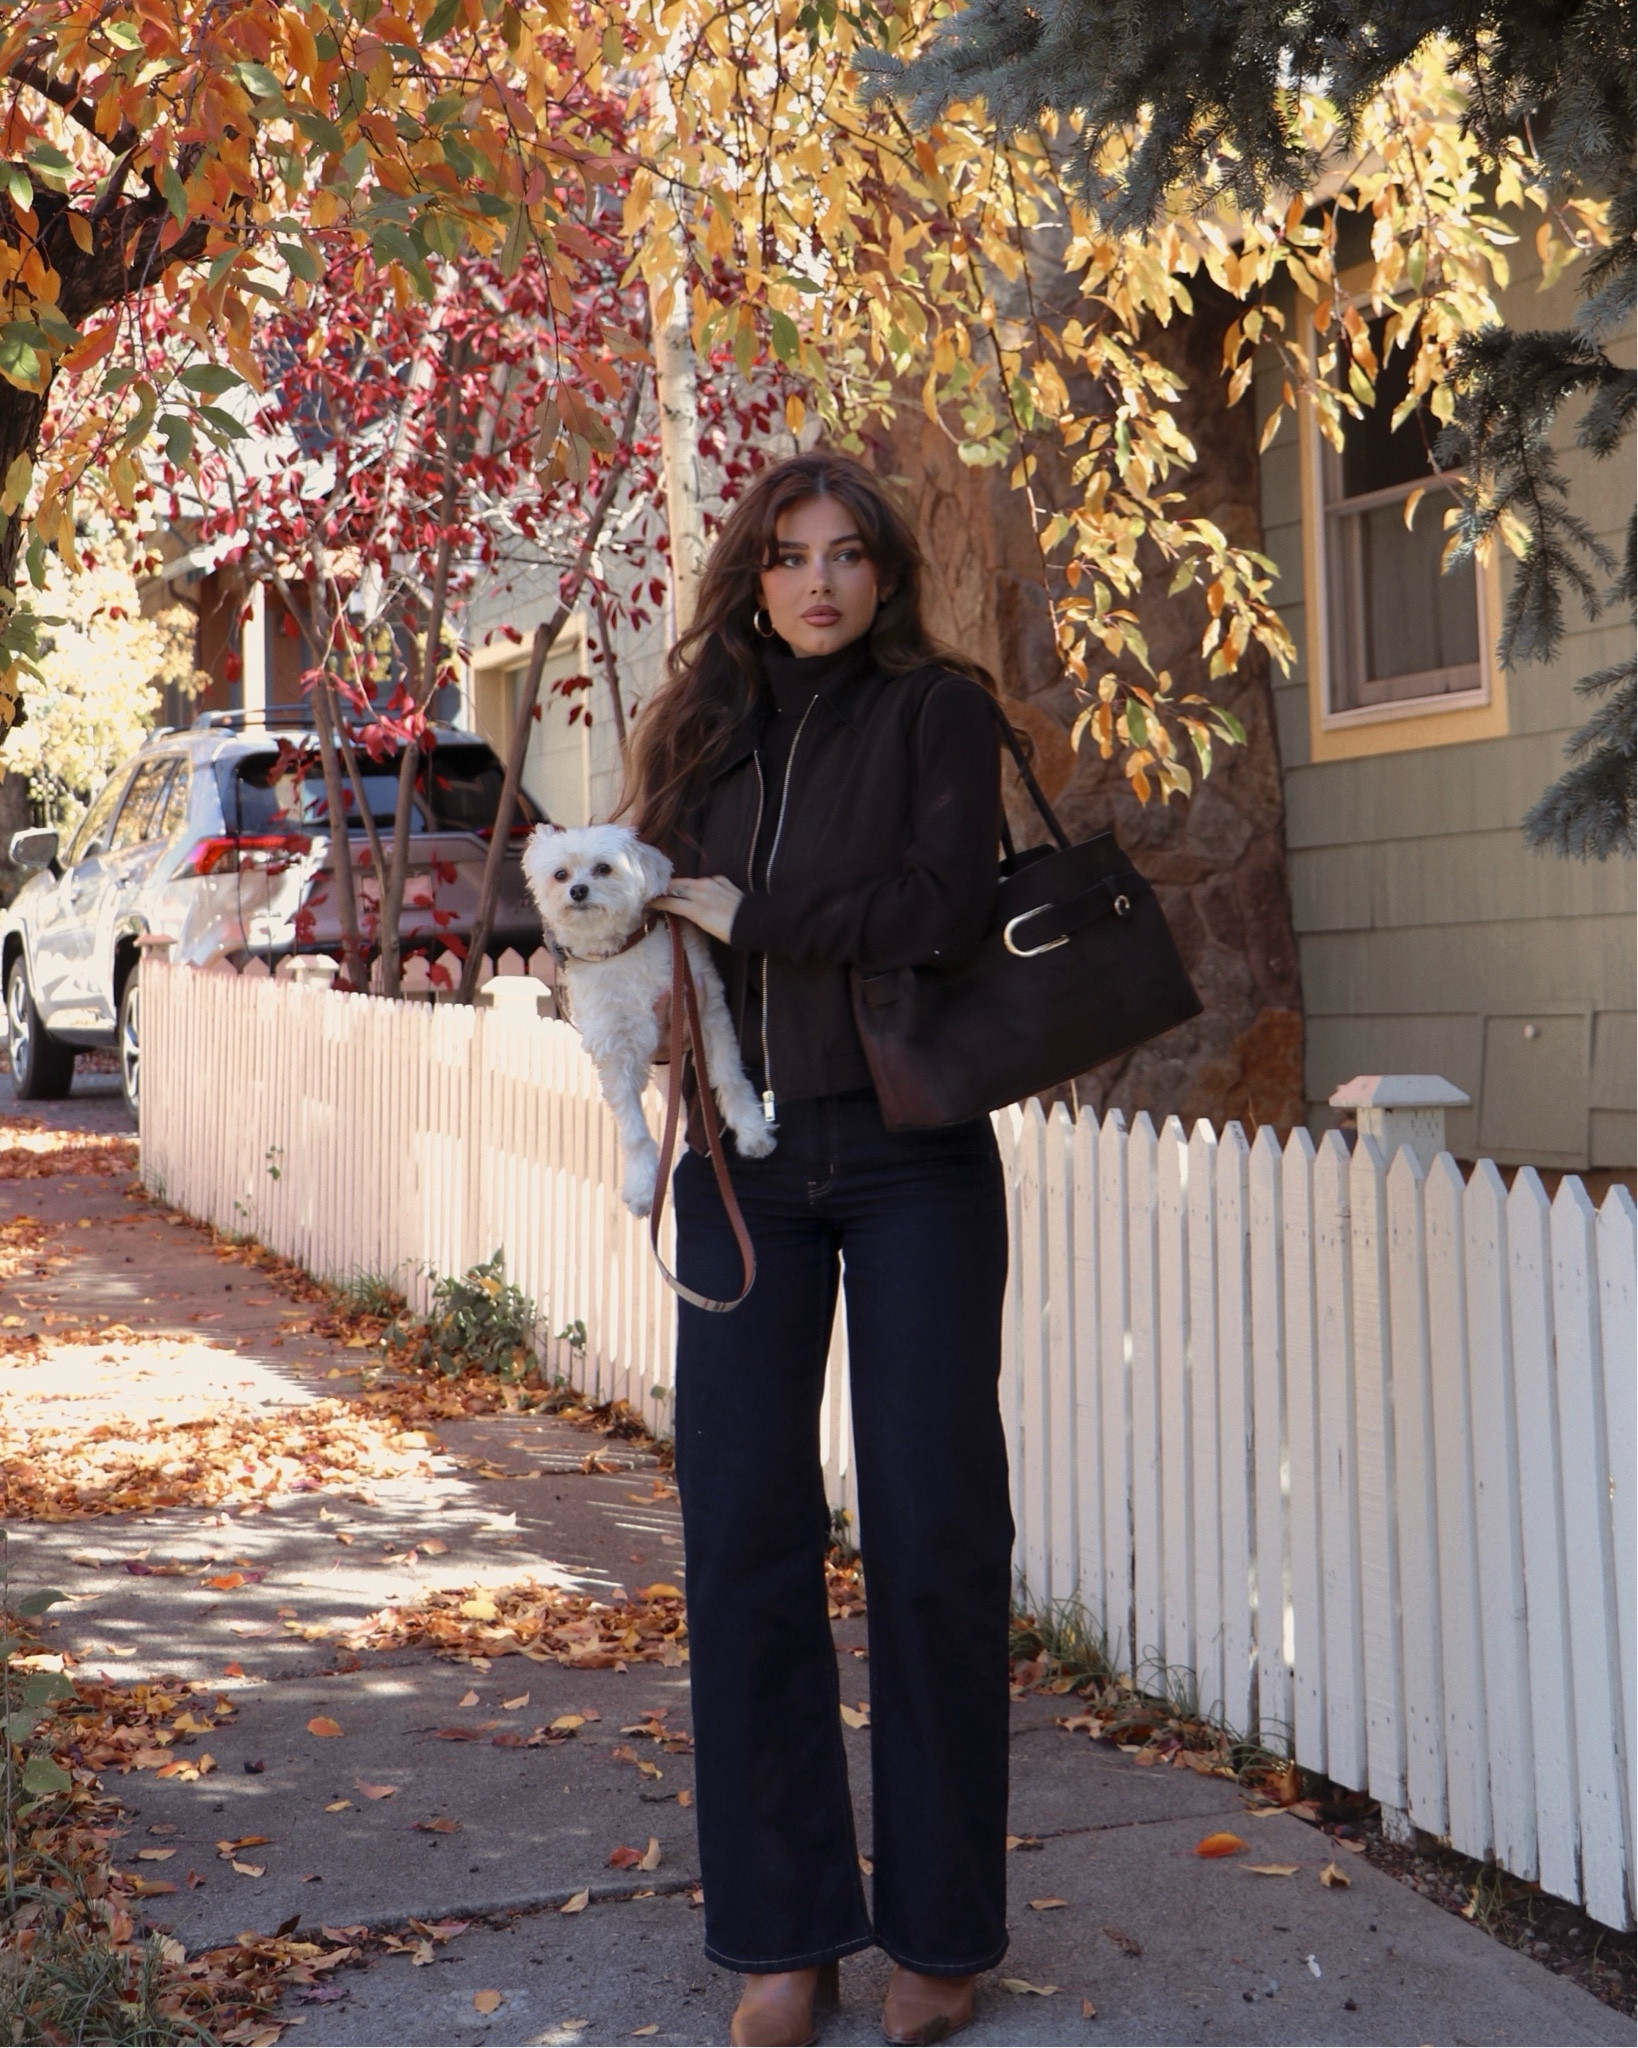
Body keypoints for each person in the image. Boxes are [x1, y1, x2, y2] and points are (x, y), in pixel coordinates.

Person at [628, 451, 1014, 2048]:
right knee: (740, 1533)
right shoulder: (705, 731)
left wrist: (744, 906)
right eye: (789, 557)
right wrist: (673, 928)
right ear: (752, 574)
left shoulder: (938, 712)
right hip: (745, 1161)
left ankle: (941, 1929)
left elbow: (934, 908)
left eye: (849, 555)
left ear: (884, 575)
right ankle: (783, 1936)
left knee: (930, 1530)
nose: (819, 583)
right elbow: (650, 910)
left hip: (913, 1155)